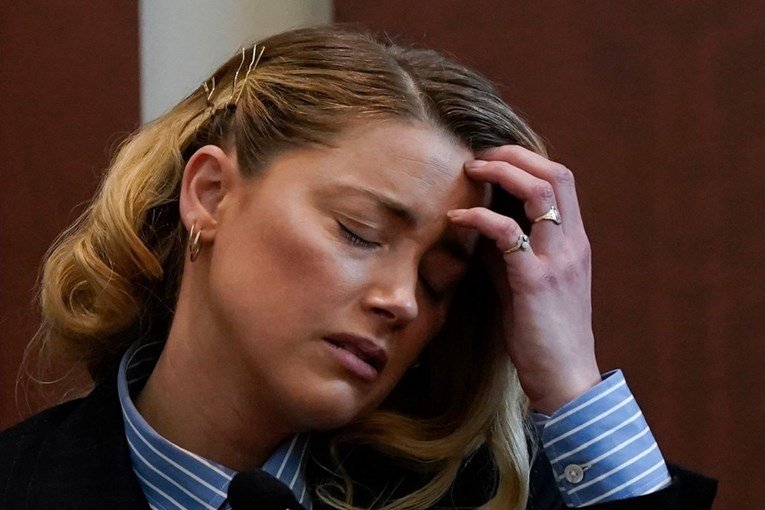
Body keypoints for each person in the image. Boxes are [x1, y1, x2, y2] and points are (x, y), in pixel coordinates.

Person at [0, 26, 716, 509]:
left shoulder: (494, 495)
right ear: (210, 194)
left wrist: (571, 382)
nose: (402, 301)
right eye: (359, 232)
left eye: (437, 282)